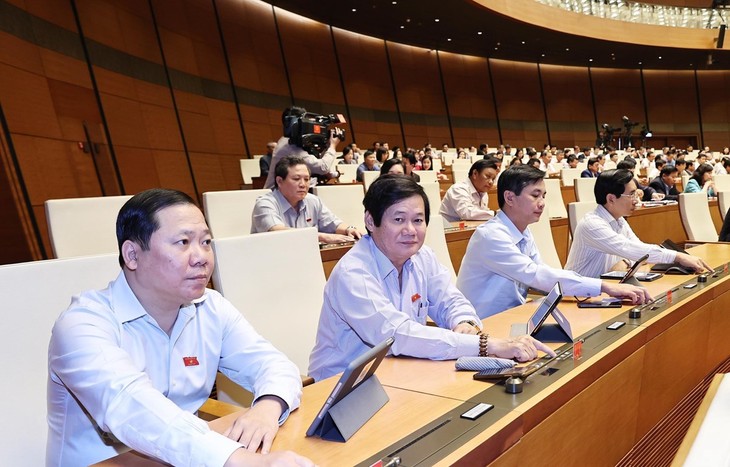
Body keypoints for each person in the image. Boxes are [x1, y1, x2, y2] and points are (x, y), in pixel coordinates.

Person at [47, 188, 311, 467]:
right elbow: (132, 408)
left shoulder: (210, 307)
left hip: (190, 455)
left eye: (206, 241)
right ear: (133, 255)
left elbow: (274, 365)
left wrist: (267, 408)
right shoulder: (83, 324)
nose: (202, 257)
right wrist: (241, 460)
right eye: (183, 242)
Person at [307, 175, 555, 381]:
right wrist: (487, 345)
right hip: (341, 388)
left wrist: (464, 323)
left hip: (400, 371)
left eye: (418, 220)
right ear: (371, 221)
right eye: (398, 220)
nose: (410, 231)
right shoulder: (354, 273)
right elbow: (398, 336)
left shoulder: (422, 256)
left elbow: (450, 300)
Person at [456, 165, 651, 318]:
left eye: (543, 196)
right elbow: (538, 275)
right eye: (535, 195)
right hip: (484, 325)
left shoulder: (523, 232)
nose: (542, 203)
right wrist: (604, 286)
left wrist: (590, 290)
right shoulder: (490, 236)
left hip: (513, 316)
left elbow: (542, 275)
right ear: (509, 197)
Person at [565, 169, 711, 278]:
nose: (636, 200)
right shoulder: (592, 224)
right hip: (577, 296)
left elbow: (639, 250)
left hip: (604, 289)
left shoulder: (619, 219)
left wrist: (626, 263)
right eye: (631, 195)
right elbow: (629, 248)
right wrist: (678, 257)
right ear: (611, 199)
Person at [252, 156, 361, 243]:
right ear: (279, 181)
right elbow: (277, 232)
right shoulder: (265, 204)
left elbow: (334, 224)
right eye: (296, 179)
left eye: (307, 179)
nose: (303, 185)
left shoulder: (313, 200)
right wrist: (323, 237)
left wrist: (349, 229)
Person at [264, 107, 341, 189]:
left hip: (290, 195)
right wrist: (333, 145)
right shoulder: (289, 144)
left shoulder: (294, 141)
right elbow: (323, 167)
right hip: (277, 197)